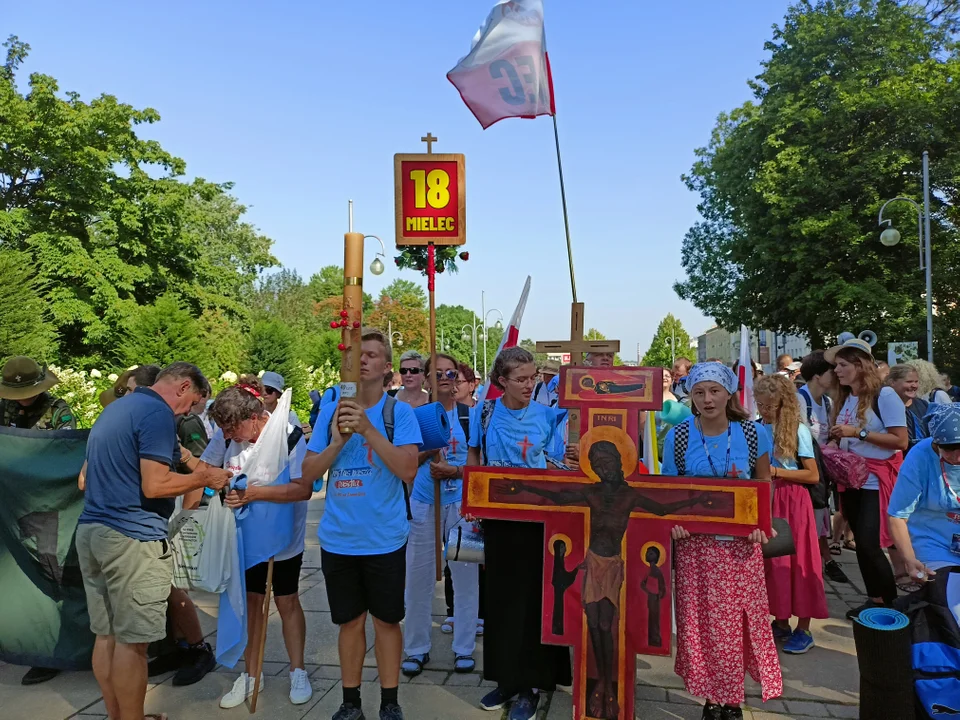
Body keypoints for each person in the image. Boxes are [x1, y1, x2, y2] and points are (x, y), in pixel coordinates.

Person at [76, 363, 231, 720]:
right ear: (183, 386)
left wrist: (193, 464)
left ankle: (119, 716)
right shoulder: (157, 414)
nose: (189, 412)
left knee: (106, 637)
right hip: (132, 540)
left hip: (92, 533)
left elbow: (88, 476)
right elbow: (155, 485)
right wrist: (205, 478)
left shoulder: (117, 409)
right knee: (133, 645)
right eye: (192, 403)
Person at [302, 329, 422, 720]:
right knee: (349, 623)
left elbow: (407, 470)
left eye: (372, 355)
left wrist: (368, 429)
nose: (364, 360)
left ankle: (390, 702)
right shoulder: (331, 408)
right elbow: (308, 475)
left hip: (384, 537)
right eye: (358, 355)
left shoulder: (398, 412)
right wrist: (337, 441)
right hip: (339, 538)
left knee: (386, 621)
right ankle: (350, 702)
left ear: (387, 369)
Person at [660, 362, 781, 720]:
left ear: (729, 394)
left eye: (714, 391)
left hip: (740, 546)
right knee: (701, 625)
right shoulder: (678, 436)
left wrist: (762, 524)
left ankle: (731, 700)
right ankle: (714, 698)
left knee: (737, 624)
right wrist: (676, 525)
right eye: (699, 392)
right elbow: (671, 491)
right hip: (696, 547)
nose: (707, 399)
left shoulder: (753, 434)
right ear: (690, 396)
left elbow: (761, 482)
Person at [466, 346, 571, 720]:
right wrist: (474, 502)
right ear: (501, 382)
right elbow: (475, 457)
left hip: (540, 521)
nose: (531, 385)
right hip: (499, 521)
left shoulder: (549, 416)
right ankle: (506, 679)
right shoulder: (485, 412)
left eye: (533, 378)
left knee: (533, 602)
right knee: (500, 600)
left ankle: (531, 685)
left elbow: (559, 464)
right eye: (522, 379)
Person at [199, 377, 313, 709]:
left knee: (287, 601)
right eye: (226, 432)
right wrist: (219, 487)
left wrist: (254, 493)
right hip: (243, 539)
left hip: (283, 539)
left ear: (254, 417)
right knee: (251, 603)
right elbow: (209, 471)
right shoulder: (227, 435)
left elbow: (301, 489)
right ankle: (252, 674)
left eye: (235, 430)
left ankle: (298, 670)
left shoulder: (287, 435)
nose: (232, 437)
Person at [401, 354, 479, 677]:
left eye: (451, 372)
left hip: (460, 507)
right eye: (438, 373)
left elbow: (477, 465)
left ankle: (464, 647)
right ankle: (416, 648)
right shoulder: (415, 416)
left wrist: (455, 471)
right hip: (423, 502)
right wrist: (426, 454)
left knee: (465, 576)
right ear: (428, 378)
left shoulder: (468, 416)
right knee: (417, 579)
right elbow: (405, 464)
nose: (445, 378)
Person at [0, 356, 76, 686]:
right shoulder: (2, 407)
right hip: (8, 506)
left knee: (49, 576)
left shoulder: (58, 410)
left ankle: (47, 651)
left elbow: (66, 453)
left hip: (47, 508)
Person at [887, 403, 960, 720]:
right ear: (935, 443)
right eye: (949, 449)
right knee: (950, 599)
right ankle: (944, 679)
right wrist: (910, 560)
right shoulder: (919, 457)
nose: (956, 456)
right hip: (931, 539)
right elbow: (897, 516)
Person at [826, 338, 908, 618]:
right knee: (862, 542)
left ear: (860, 366)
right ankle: (875, 600)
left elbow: (901, 441)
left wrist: (856, 433)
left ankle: (891, 603)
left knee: (872, 544)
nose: (836, 370)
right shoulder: (846, 397)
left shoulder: (884, 396)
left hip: (876, 480)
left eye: (842, 364)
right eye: (836, 365)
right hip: (852, 480)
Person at [755, 375, 828, 655]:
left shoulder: (797, 430)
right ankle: (781, 621)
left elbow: (812, 474)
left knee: (799, 561)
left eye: (768, 405)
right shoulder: (760, 426)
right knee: (774, 561)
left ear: (782, 403)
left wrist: (775, 471)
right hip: (768, 498)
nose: (763, 409)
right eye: (759, 404)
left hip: (793, 500)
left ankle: (804, 629)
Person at [796, 351, 849, 584]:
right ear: (817, 375)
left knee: (821, 516)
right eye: (831, 370)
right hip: (805, 471)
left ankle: (821, 561)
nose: (836, 373)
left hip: (822, 471)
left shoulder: (827, 402)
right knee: (814, 517)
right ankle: (820, 563)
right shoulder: (800, 400)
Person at [887, 364, 931, 455]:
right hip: (898, 461)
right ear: (892, 382)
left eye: (916, 381)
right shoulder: (884, 407)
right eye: (909, 381)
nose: (914, 385)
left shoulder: (923, 405)